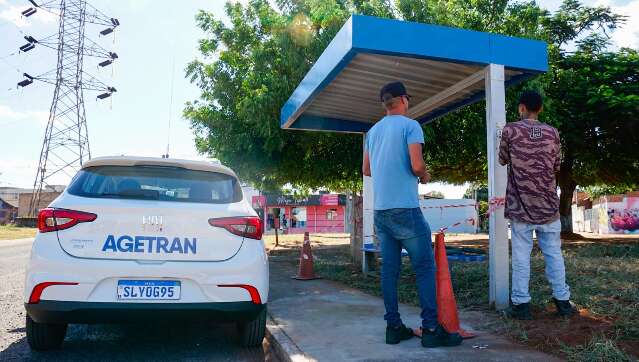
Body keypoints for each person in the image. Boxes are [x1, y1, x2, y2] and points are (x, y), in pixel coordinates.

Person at [363, 81, 463, 348]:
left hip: (382, 212)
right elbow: (417, 165)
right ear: (404, 100)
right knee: (425, 267)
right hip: (405, 209)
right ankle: (431, 329)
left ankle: (393, 327)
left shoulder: (372, 132)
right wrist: (425, 174)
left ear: (385, 103)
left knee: (389, 271)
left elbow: (367, 169)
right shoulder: (410, 126)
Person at [498, 90, 577, 320]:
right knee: (554, 254)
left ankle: (521, 305)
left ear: (522, 107)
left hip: (520, 205)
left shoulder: (510, 130)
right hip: (548, 206)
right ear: (540, 108)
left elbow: (502, 159)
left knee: (522, 256)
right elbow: (556, 166)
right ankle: (562, 301)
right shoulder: (553, 132)